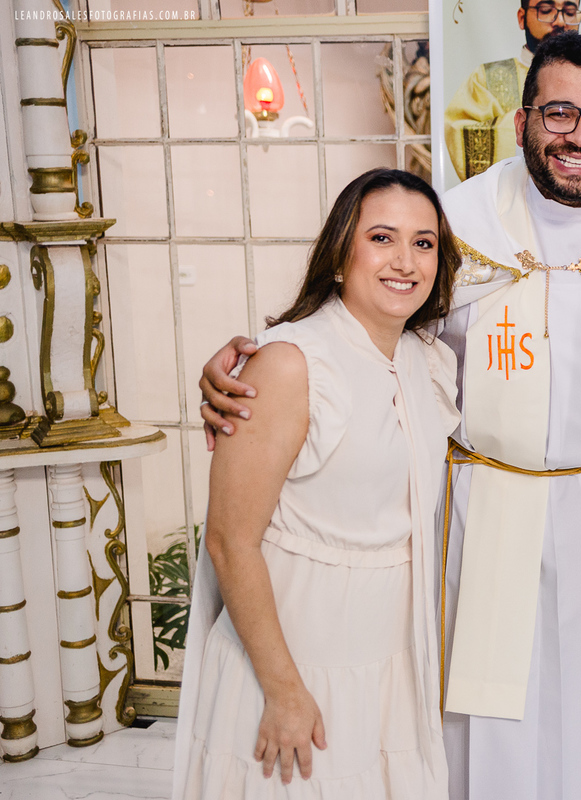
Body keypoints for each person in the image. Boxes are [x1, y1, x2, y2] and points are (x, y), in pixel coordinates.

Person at [201, 34, 581, 800]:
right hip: (485, 512)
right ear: (521, 121)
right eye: (561, 112)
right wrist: (256, 356)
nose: (580, 136)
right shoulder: (458, 223)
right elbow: (365, 325)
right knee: (491, 727)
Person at [173, 169, 461, 799]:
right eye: (382, 237)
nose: (405, 261)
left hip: (387, 662)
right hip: (294, 660)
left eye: (424, 243)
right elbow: (228, 540)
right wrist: (283, 690)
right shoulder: (289, 363)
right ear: (340, 252)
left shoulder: (427, 360)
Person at [443, 0, 581, 190]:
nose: (559, 21)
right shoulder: (487, 77)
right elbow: (461, 133)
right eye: (546, 9)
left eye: (569, 12)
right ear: (522, 18)